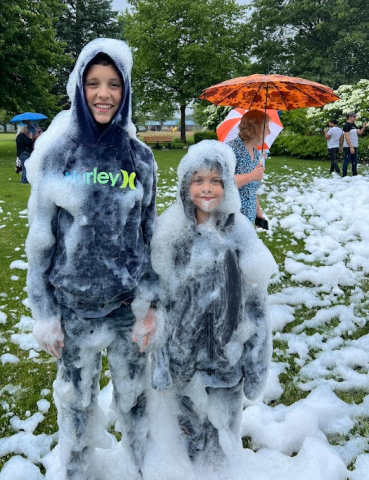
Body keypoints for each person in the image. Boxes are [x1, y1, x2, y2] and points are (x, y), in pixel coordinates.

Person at [26, 38, 157, 480]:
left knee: (135, 401)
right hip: (74, 311)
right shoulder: (57, 155)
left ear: (126, 91)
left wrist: (149, 305)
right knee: (77, 407)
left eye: (114, 84)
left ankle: (139, 470)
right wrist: (44, 312)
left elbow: (150, 235)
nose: (104, 93)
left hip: (126, 308)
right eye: (94, 83)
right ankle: (77, 473)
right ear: (80, 88)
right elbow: (40, 241)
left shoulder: (140, 158)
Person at [133, 140, 276, 465]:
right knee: (190, 429)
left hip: (229, 356)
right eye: (199, 180)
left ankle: (222, 466)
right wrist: (163, 363)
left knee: (224, 431)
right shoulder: (172, 233)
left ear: (227, 185)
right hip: (185, 357)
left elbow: (256, 307)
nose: (207, 188)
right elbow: (161, 295)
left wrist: (256, 365)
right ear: (186, 186)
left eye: (215, 180)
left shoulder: (240, 232)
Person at [227, 110, 270, 224]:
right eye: (266, 128)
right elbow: (222, 183)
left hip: (249, 218)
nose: (269, 132)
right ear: (256, 129)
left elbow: (251, 190)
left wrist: (258, 213)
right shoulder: (230, 150)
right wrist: (251, 176)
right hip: (231, 217)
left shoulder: (256, 154)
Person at [342, 111, 367, 177]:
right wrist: (351, 147)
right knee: (347, 161)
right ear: (350, 117)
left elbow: (360, 133)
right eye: (354, 117)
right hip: (348, 146)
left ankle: (354, 174)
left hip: (355, 146)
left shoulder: (354, 125)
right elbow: (347, 137)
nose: (355, 118)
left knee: (355, 161)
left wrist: (363, 127)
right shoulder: (346, 125)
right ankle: (344, 175)